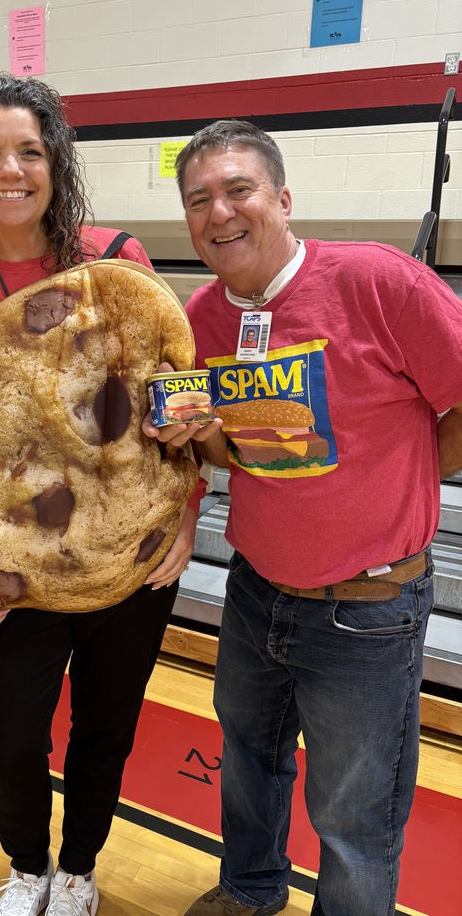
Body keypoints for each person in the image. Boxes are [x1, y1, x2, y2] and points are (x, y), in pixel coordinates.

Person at [0, 72, 219, 916]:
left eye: (28, 149)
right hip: (18, 568)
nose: (9, 169)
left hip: (129, 556)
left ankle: (79, 872)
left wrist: (184, 520)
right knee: (12, 732)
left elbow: (176, 400)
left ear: (55, 162)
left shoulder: (116, 260)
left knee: (105, 727)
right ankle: (27, 869)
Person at [160, 119, 462, 916]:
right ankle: (250, 891)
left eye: (238, 190)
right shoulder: (204, 316)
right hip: (258, 592)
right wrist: (202, 437)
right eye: (199, 200)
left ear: (283, 198)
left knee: (352, 815)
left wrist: (419, 471)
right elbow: (233, 451)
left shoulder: (377, 282)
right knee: (250, 765)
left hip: (367, 610)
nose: (219, 213)